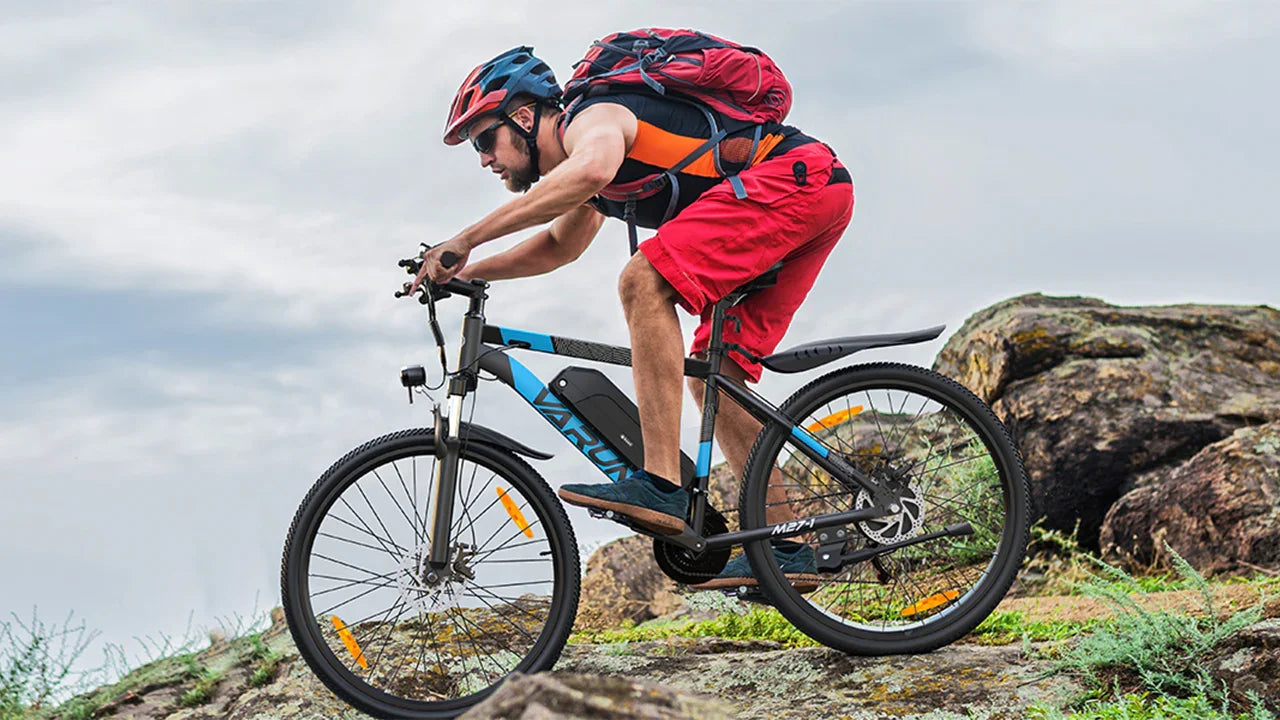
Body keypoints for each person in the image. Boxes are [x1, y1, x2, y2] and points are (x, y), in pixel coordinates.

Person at [411, 43, 854, 590]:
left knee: (642, 280)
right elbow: (557, 246)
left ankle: (662, 485)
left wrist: (467, 237)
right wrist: (467, 271)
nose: (484, 159)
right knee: (719, 373)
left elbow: (590, 170)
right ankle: (789, 547)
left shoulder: (592, 119)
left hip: (791, 181)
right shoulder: (583, 173)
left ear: (523, 117)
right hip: (812, 190)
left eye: (485, 139)